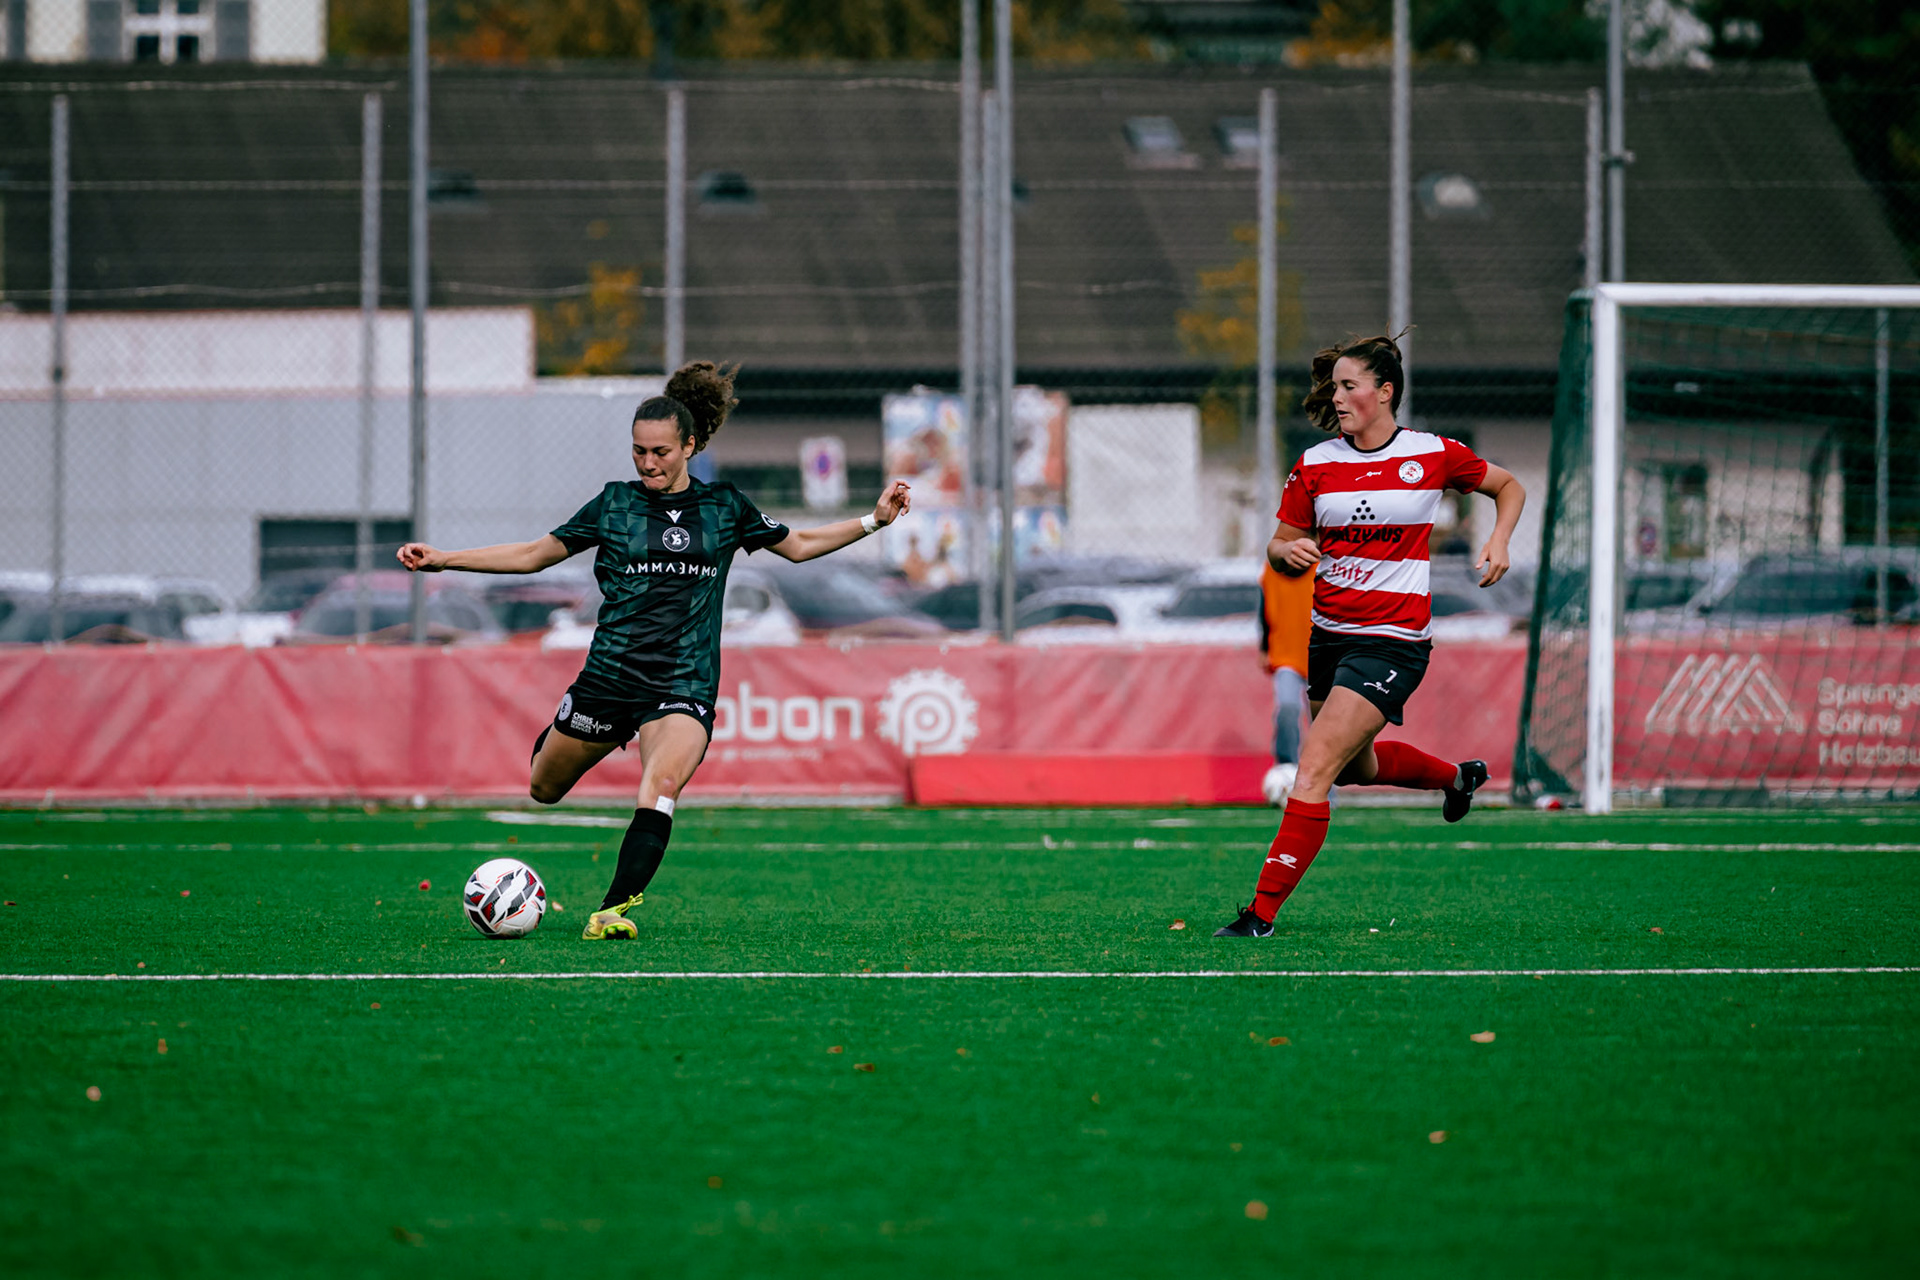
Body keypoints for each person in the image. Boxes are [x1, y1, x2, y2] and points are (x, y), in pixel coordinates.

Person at [398, 361, 911, 940]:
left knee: (661, 785)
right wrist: (445, 558)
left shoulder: (725, 507)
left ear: (690, 446)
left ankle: (611, 910)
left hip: (683, 684)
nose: (648, 463)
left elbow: (800, 544)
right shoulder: (613, 504)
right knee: (543, 787)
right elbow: (534, 554)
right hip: (609, 679)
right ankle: (570, 734)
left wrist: (875, 520)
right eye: (639, 451)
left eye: (661, 452)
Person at [1216, 333, 1525, 937]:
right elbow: (1278, 547)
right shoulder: (1315, 465)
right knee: (1356, 767)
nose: (1338, 397)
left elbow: (1508, 486)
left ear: (1385, 393)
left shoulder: (1432, 454)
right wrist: (1288, 553)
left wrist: (1499, 537)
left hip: (1393, 641)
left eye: (1349, 385)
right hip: (1328, 638)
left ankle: (1261, 913)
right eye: (1334, 387)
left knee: (1313, 768)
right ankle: (1458, 779)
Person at [1258, 557, 1314, 804]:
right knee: (1288, 710)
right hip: (1285, 655)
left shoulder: (1322, 566)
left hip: (1321, 656)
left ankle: (1324, 791)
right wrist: (1264, 647)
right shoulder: (1272, 569)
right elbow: (1265, 608)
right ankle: (1287, 771)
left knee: (1322, 726)